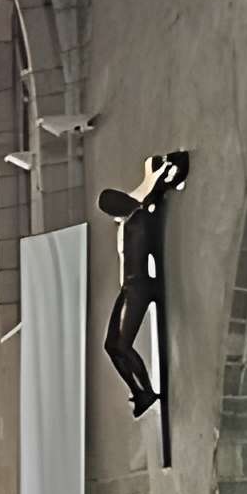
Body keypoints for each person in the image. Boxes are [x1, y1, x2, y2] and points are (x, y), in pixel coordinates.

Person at [98, 149, 190, 417]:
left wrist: (166, 170)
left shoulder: (140, 216)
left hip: (138, 286)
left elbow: (156, 187)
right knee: (110, 345)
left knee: (122, 345)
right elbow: (150, 185)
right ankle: (139, 392)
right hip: (128, 287)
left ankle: (145, 392)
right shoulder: (130, 220)